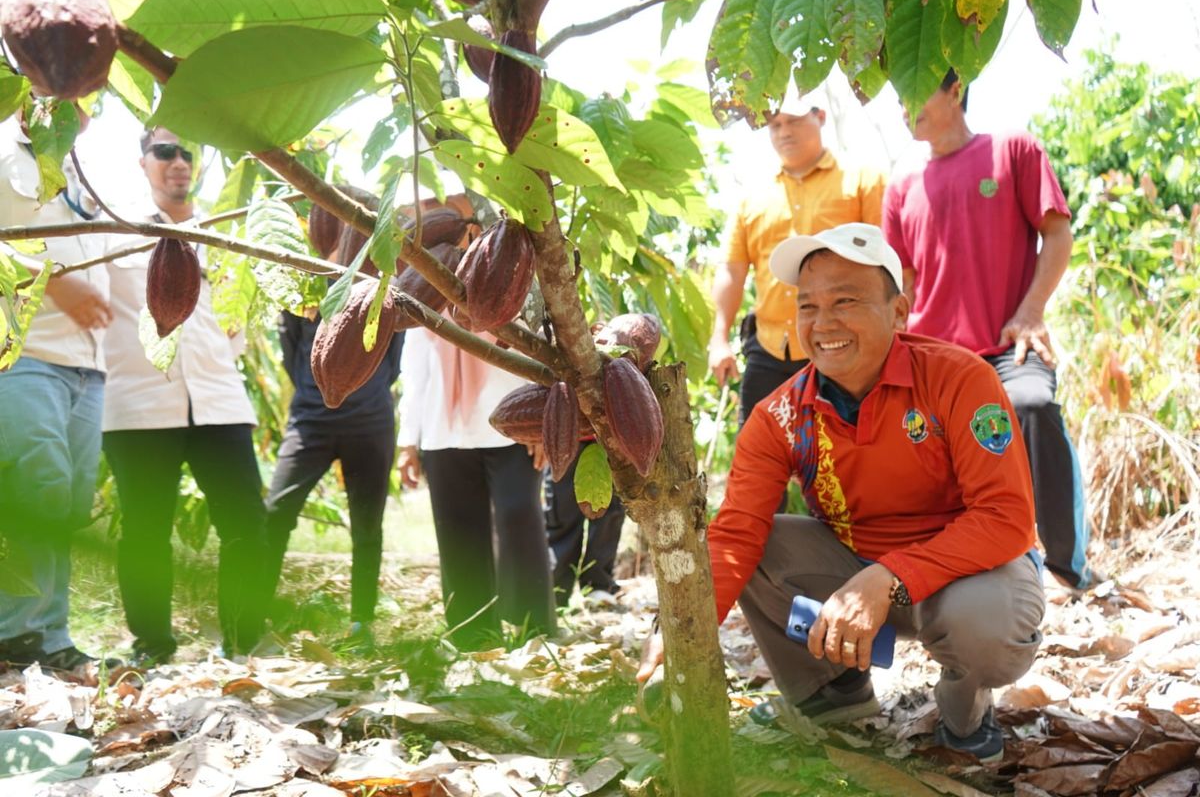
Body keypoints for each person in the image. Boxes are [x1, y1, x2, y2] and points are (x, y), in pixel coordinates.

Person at [639, 223, 1045, 762]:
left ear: (899, 312)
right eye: (807, 306)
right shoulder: (779, 415)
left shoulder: (959, 379)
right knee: (756, 543)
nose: (823, 323)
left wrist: (888, 577)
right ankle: (833, 692)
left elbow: (1006, 518)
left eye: (845, 301)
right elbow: (735, 535)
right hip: (850, 578)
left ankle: (965, 714)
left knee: (986, 624)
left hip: (965, 579)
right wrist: (679, 631)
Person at [882, 69, 1094, 589]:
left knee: (1034, 407)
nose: (904, 107)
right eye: (898, 97)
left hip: (1007, 348)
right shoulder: (901, 188)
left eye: (915, 91)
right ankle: (940, 575)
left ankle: (1069, 568)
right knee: (911, 450)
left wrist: (1032, 310)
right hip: (935, 364)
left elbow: (1057, 234)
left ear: (954, 89)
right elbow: (900, 284)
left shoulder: (1013, 151)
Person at [101, 127, 267, 665]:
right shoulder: (115, 229)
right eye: (165, 152)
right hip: (140, 403)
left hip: (218, 399)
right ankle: (152, 644)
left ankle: (244, 640)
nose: (178, 162)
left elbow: (233, 326)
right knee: (145, 530)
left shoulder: (218, 233)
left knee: (245, 522)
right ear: (143, 161)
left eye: (187, 152)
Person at [0, 107, 116, 672]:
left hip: (85, 367)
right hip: (25, 357)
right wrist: (54, 285)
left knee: (64, 503)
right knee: (36, 489)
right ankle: (12, 633)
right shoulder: (4, 158)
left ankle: (50, 635)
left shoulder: (80, 172)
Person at [261, 221, 405, 647]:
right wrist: (318, 391)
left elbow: (391, 358)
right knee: (275, 513)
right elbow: (292, 351)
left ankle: (361, 622)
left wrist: (368, 389)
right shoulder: (305, 285)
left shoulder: (383, 288)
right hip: (311, 419)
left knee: (367, 526)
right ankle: (254, 614)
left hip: (371, 420)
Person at [708, 92, 886, 425]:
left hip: (843, 346)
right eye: (774, 125)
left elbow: (886, 262)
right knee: (755, 460)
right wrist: (719, 338)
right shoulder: (752, 196)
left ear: (820, 117)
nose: (783, 132)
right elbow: (732, 270)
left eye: (792, 121)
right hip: (771, 347)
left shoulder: (862, 180)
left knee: (844, 465)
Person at [398, 326, 556, 650]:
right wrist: (407, 441)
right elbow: (414, 369)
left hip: (513, 424)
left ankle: (535, 630)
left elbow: (542, 348)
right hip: (444, 428)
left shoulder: (515, 281)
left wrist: (542, 422)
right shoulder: (426, 290)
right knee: (458, 535)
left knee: (519, 518)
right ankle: (472, 636)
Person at [544, 442, 625, 607]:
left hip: (610, 437)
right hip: (565, 438)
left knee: (608, 517)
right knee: (561, 516)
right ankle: (555, 591)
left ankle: (598, 585)